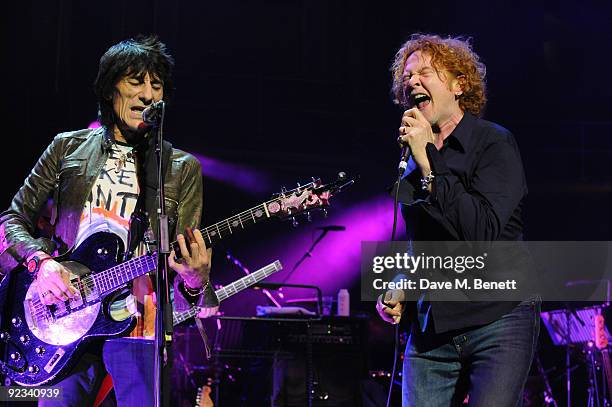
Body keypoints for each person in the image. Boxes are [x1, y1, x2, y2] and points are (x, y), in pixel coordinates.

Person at [0, 35, 219, 406]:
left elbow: (184, 277)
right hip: (62, 316)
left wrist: (196, 281)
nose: (148, 94)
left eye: (156, 84)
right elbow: (12, 220)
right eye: (136, 82)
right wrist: (43, 265)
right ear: (109, 88)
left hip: (138, 323)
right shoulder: (67, 147)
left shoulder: (181, 168)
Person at [376, 33, 540, 406]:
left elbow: (479, 232)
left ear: (459, 84)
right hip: (434, 326)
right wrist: (403, 283)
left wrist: (429, 161)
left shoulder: (493, 144)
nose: (412, 81)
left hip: (498, 318)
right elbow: (430, 245)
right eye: (407, 77)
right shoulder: (416, 159)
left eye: (425, 73)